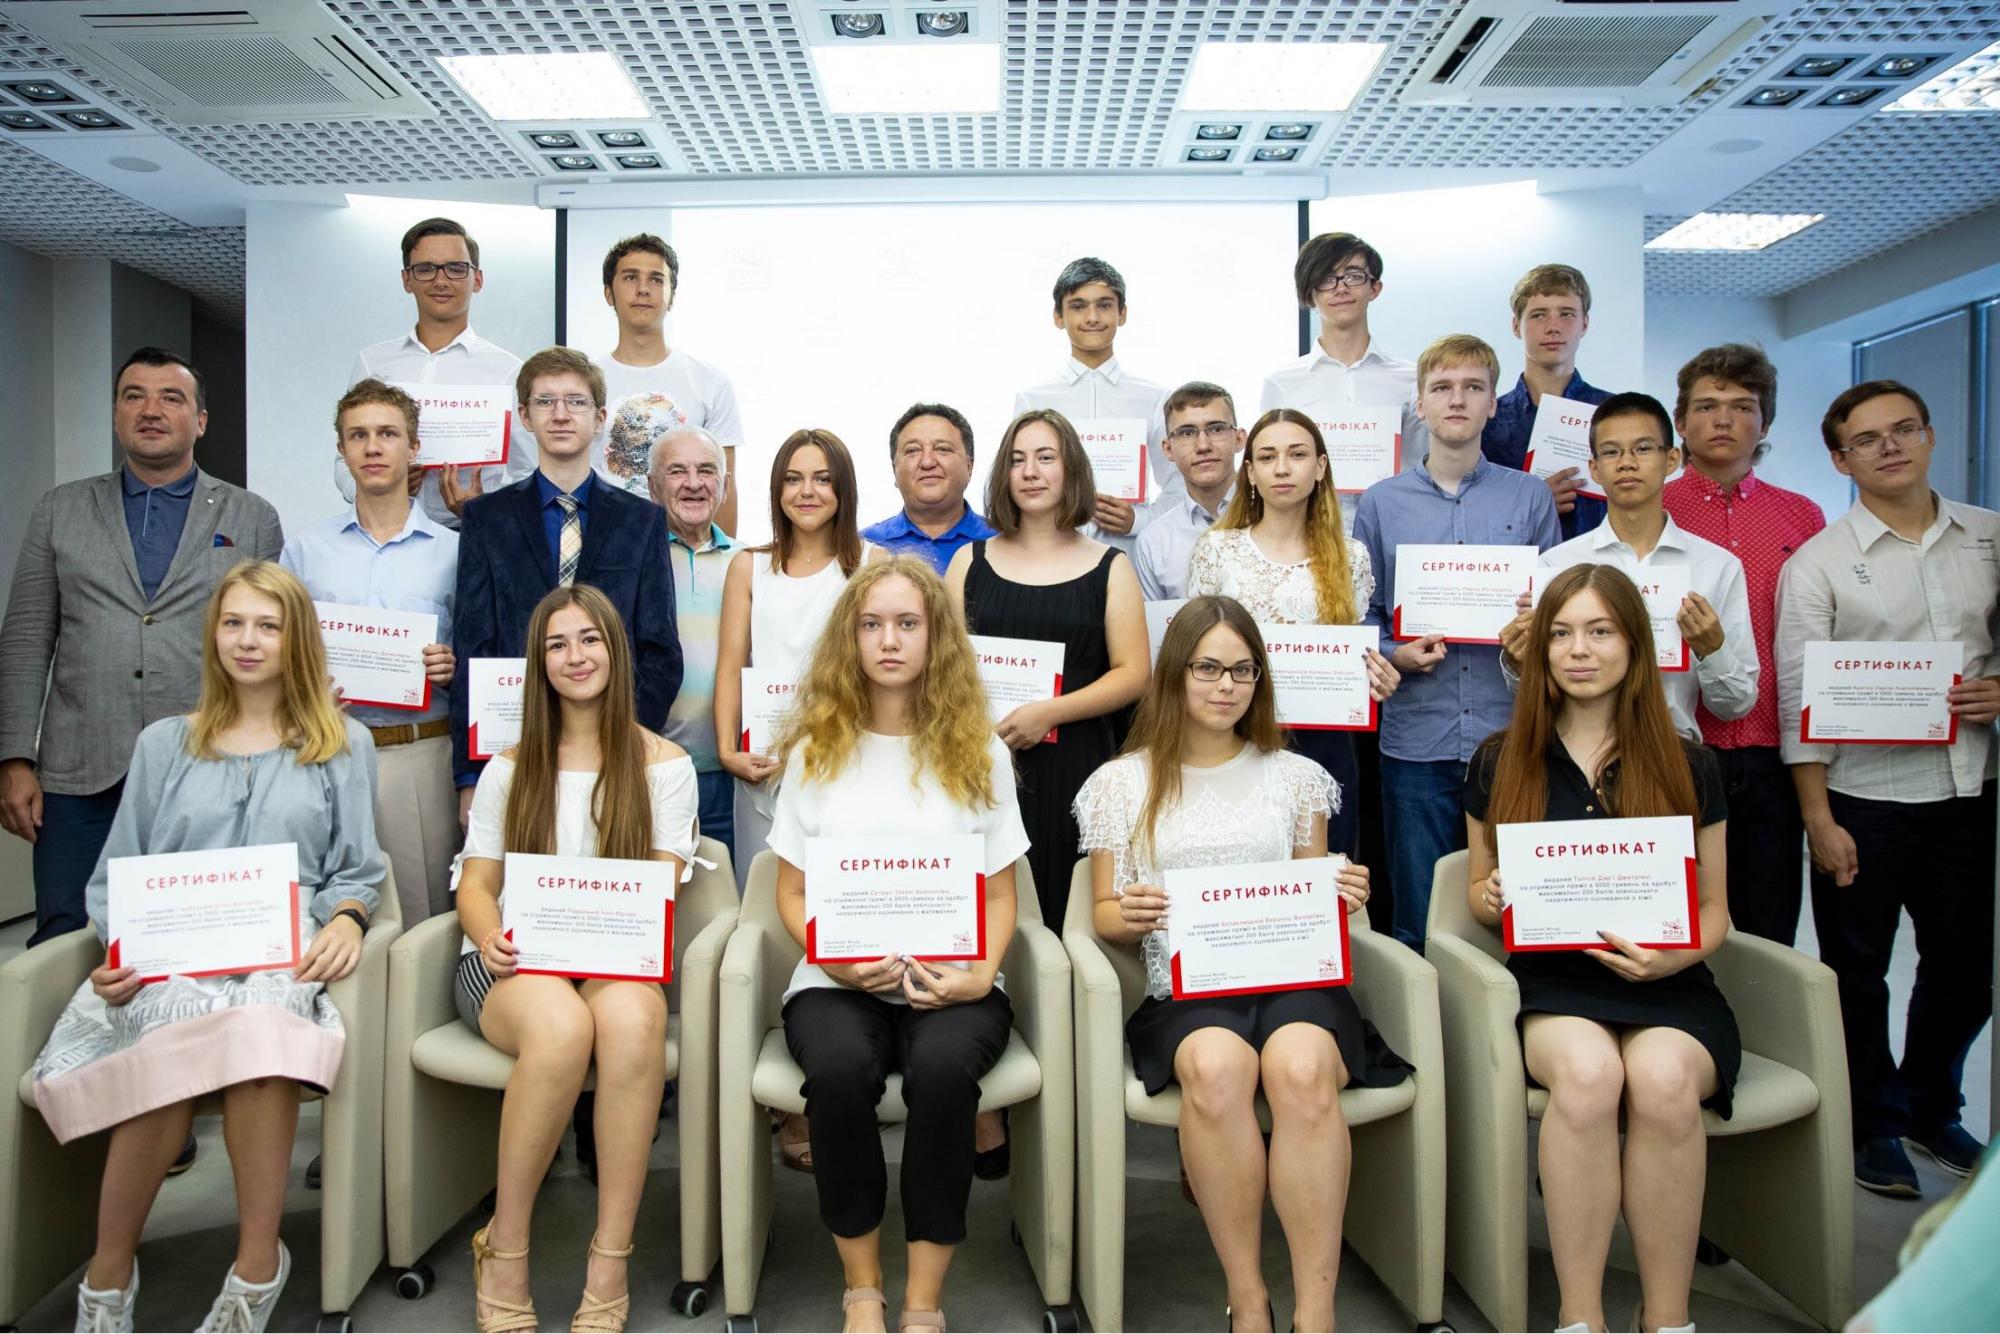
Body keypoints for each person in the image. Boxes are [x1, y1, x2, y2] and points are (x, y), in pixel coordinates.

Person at [32, 561, 384, 1333]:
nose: (248, 641)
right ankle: (108, 1272)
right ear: (213, 633)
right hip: (173, 946)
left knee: (260, 1032)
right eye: (234, 623)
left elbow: (359, 866)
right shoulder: (165, 743)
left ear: (297, 638)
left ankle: (257, 1264)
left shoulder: (343, 743)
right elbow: (118, 872)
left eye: (268, 625)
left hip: (282, 943)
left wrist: (348, 917)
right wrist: (120, 951)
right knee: (173, 1034)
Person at [1074, 594, 1410, 1334]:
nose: (1226, 686)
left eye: (1243, 670)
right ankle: (1249, 1299)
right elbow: (1102, 913)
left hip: (1293, 978)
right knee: (1218, 1069)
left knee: (1301, 1068)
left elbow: (1313, 890)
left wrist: (1343, 892)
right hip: (1189, 987)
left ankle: (1316, 1311)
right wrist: (1129, 912)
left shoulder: (1297, 777)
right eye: (1208, 668)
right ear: (1174, 673)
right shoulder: (1120, 784)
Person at [1463, 561, 1737, 1334]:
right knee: (1588, 1076)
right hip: (1554, 984)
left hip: (1671, 984)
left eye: (1600, 631)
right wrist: (1490, 897)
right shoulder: (1499, 759)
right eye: (1561, 634)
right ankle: (1580, 1317)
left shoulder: (1690, 763)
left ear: (1635, 645)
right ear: (1539, 650)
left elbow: (1715, 910)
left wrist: (1675, 956)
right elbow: (1477, 892)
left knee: (1662, 1080)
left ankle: (1667, 1317)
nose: (1579, 650)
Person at [766, 556, 1027, 1334]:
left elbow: (1001, 895)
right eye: (871, 624)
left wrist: (980, 975)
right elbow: (790, 893)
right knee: (839, 1072)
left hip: (955, 979)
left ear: (935, 636)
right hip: (836, 979)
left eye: (907, 624)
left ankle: (923, 1299)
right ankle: (863, 1288)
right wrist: (837, 960)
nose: (888, 641)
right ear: (849, 638)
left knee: (944, 1072)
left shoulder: (981, 751)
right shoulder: (814, 751)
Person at [451, 584, 699, 1334]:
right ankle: (505, 1247)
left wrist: (600, 952)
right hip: (509, 966)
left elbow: (657, 891)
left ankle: (609, 1260)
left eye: (589, 639)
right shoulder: (509, 766)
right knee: (560, 1026)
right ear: (540, 662)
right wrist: (490, 936)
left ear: (615, 650)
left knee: (630, 1021)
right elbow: (476, 886)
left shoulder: (666, 766)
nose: (575, 656)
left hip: (614, 959)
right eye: (557, 644)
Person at [1777, 379, 1998, 1198]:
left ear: (1930, 436)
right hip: (1863, 797)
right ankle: (1875, 1121)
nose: (1890, 447)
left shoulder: (1991, 538)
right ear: (1842, 460)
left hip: (1972, 788)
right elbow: (1800, 695)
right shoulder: (1819, 562)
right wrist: (1817, 818)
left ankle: (1932, 1103)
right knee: (1858, 971)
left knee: (1966, 969)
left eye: (1904, 429)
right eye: (1867, 439)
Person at [1, 346, 283, 947]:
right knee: (65, 940)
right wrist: (14, 758)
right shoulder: (60, 510)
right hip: (80, 775)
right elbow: (26, 638)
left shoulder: (252, 517)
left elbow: (271, 649)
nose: (150, 410)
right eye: (134, 396)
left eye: (170, 398)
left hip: (209, 764)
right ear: (116, 414)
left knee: (198, 941)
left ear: (200, 420)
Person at [1353, 334, 1562, 951]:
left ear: (1493, 404)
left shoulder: (1531, 496)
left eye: (1473, 388)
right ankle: (1426, 1018)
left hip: (1512, 735)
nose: (1457, 400)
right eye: (1442, 388)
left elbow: (1558, 612)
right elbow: (1361, 617)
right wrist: (1394, 652)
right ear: (1419, 404)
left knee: (1520, 908)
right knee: (1419, 915)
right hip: (1417, 737)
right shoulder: (1381, 503)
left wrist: (1534, 630)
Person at [453, 346, 683, 824]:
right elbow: (473, 651)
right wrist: (471, 775)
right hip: (513, 751)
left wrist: (622, 740)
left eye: (576, 402)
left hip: (617, 754)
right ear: (524, 416)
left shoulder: (642, 521)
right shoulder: (486, 519)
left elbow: (660, 652)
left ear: (599, 418)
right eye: (545, 401)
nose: (560, 414)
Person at [946, 408, 1149, 925]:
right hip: (981, 760)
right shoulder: (969, 561)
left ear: (1071, 469)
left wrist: (1051, 713)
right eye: (1017, 460)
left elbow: (1133, 674)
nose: (1030, 472)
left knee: (1067, 910)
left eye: (1045, 458)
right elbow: (942, 670)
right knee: (985, 912)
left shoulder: (1110, 565)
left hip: (1078, 766)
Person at [1661, 344, 1826, 946]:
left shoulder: (1802, 517)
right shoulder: (1652, 508)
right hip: (1676, 738)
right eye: (1707, 406)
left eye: (1742, 406)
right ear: (1681, 422)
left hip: (1771, 744)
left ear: (1766, 422)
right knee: (1672, 914)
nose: (1723, 419)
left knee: (1767, 922)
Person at [1186, 409, 1401, 860]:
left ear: (1320, 467)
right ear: (1250, 473)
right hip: (1234, 738)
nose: (1282, 468)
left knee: (1322, 880)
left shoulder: (1352, 557)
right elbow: (1196, 652)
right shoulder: (1217, 549)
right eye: (1267, 457)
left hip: (1324, 745)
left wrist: (1376, 677)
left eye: (1297, 455)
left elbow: (1352, 656)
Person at [281, 378, 459, 924]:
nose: (373, 447)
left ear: (414, 447)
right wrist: (305, 683)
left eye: (388, 433)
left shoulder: (456, 550)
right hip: (327, 750)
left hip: (421, 756)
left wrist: (454, 664)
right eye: (358, 435)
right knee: (328, 909)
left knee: (425, 918)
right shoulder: (304, 550)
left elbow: (484, 653)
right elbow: (281, 653)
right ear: (342, 450)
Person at [1498, 392, 1756, 743]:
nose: (1627, 463)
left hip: (1673, 752)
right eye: (1611, 452)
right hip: (1575, 756)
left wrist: (1712, 649)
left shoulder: (1716, 566)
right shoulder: (1557, 565)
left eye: (1643, 448)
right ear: (1594, 469)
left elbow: (1735, 705)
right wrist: (1518, 660)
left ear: (1672, 459)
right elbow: (1532, 693)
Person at [716, 428, 870, 895]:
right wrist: (726, 750)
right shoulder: (748, 566)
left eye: (823, 479)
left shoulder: (872, 564)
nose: (807, 491)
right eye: (792, 479)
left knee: (840, 896)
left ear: (844, 489)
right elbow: (731, 665)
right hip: (764, 767)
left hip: (848, 762)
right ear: (776, 490)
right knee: (763, 896)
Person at [344, 217, 528, 527]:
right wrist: (379, 489)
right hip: (382, 531)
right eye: (426, 268)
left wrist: (485, 509)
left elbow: (526, 471)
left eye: (456, 268)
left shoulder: (509, 371)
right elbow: (344, 460)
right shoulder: (372, 363)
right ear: (407, 280)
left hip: (469, 535)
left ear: (477, 279)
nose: (441, 281)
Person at [1257, 231, 1423, 528]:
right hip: (1309, 533)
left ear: (1375, 288)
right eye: (1327, 278)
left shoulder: (1412, 379)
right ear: (1309, 294)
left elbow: (1424, 464)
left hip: (1394, 528)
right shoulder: (1282, 383)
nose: (1341, 288)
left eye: (1354, 276)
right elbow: (1270, 468)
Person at [1012, 257, 1171, 552]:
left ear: (1122, 313)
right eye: (1078, 306)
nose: (1092, 317)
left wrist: (1138, 520)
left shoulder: (1154, 398)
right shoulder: (1033, 400)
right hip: (1051, 553)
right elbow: (1015, 480)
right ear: (1058, 317)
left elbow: (1178, 485)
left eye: (1105, 305)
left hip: (1129, 554)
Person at [593, 233, 747, 534]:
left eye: (656, 279)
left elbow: (724, 490)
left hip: (685, 547)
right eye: (630, 277)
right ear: (609, 294)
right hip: (605, 546)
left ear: (672, 296)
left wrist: (722, 558)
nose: (643, 289)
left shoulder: (710, 382)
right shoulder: (585, 382)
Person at [648, 426, 737, 865]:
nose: (693, 483)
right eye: (677, 471)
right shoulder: (633, 563)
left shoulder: (752, 562)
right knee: (657, 896)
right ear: (652, 486)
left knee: (732, 893)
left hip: (732, 778)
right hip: (652, 773)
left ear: (724, 485)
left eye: (706, 470)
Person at [1481, 263, 1609, 539]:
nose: (1553, 327)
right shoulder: (1486, 420)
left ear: (1585, 323)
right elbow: (1467, 510)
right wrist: (1532, 503)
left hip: (1601, 560)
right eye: (1538, 315)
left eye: (1567, 314)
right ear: (1516, 326)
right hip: (1511, 562)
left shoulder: (1614, 416)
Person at [1134, 381, 1244, 602]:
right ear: (1168, 449)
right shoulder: (1153, 542)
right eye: (1186, 433)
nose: (1203, 445)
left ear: (1239, 439)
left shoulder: (1278, 519)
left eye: (1216, 429)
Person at [860, 403, 997, 573]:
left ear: (969, 467)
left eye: (942, 449)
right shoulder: (865, 547)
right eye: (913, 451)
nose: (927, 462)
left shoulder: (1003, 541)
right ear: (894, 470)